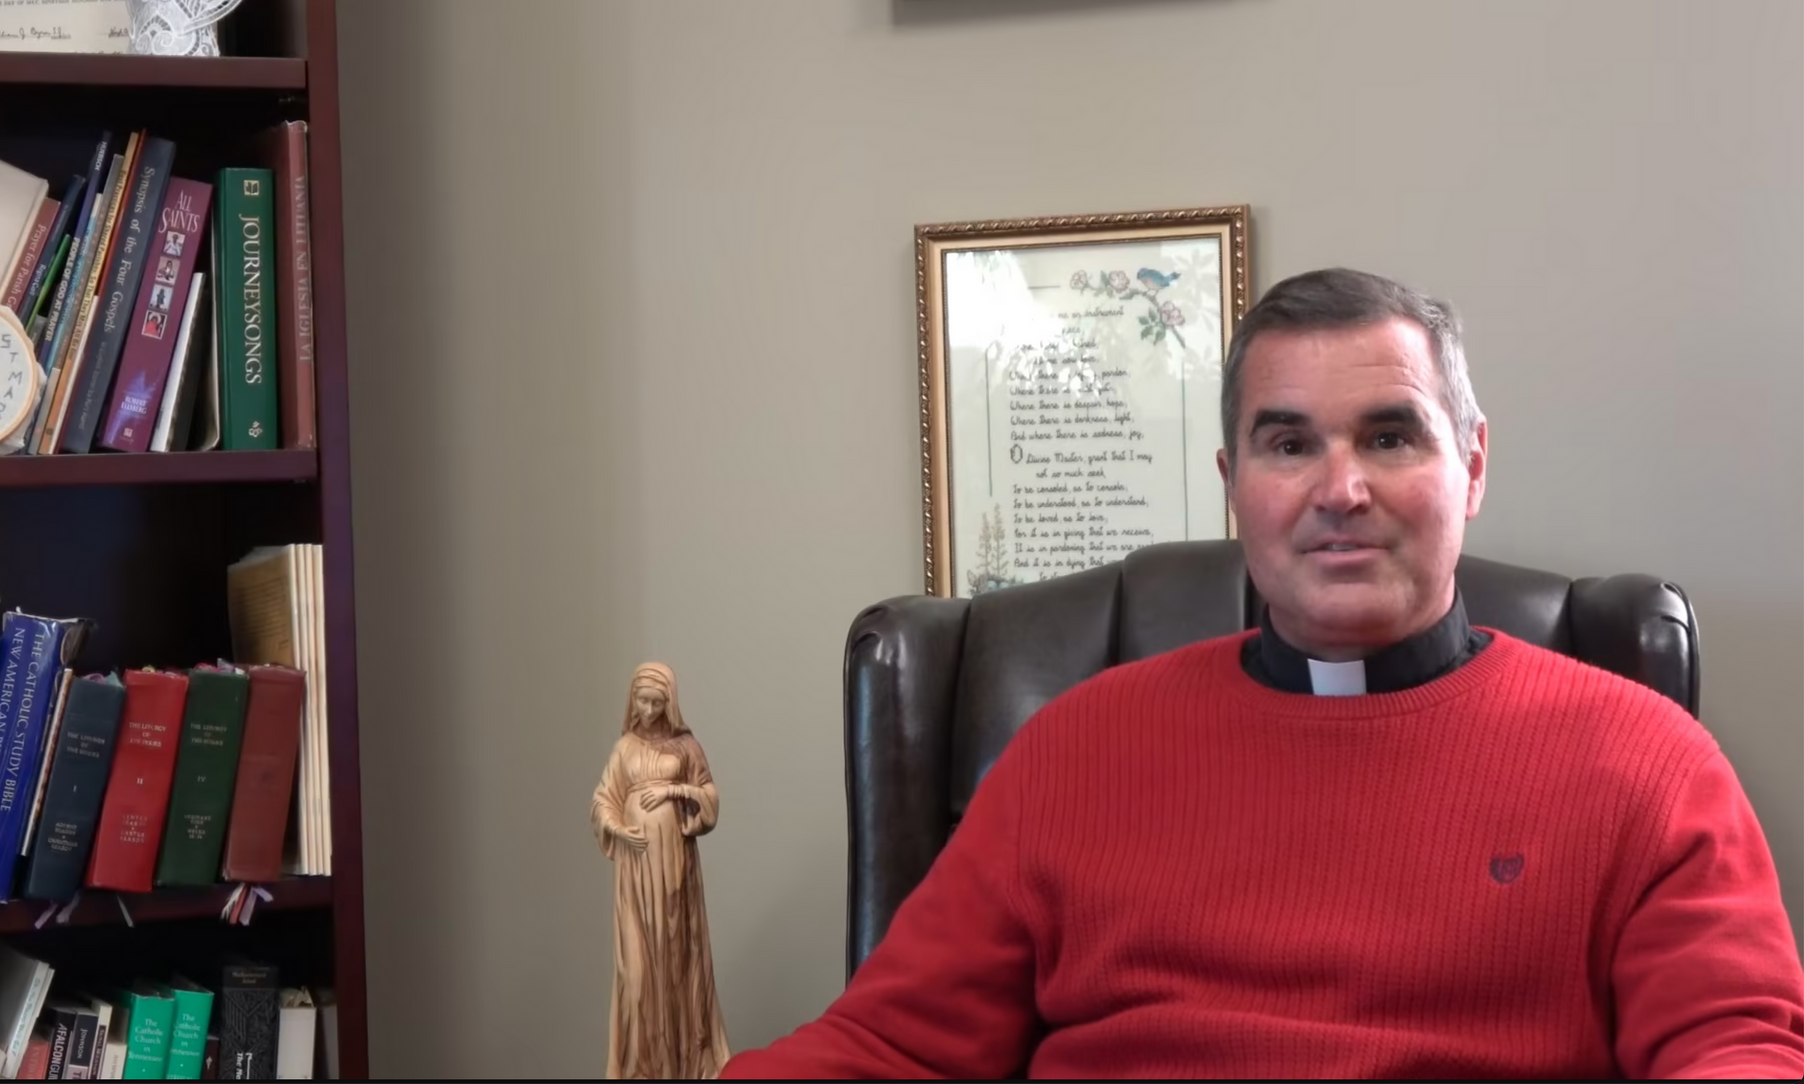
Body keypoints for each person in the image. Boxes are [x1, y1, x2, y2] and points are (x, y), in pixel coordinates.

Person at [720, 268, 1804, 1079]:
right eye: (1289, 445)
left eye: (1390, 437)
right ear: (1235, 482)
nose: (1340, 489)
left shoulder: (1648, 765)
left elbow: (1736, 1047)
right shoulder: (1073, 752)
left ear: (1469, 467)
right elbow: (886, 1045)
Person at [591, 661, 732, 1079]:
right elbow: (602, 800)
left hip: (675, 875)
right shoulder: (624, 749)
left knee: (677, 968)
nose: (649, 709)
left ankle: (685, 1068)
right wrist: (619, 828)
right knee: (636, 978)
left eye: (657, 702)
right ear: (631, 699)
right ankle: (640, 1071)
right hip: (635, 877)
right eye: (642, 700)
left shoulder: (685, 747)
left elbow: (709, 794)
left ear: (669, 703)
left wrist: (673, 789)